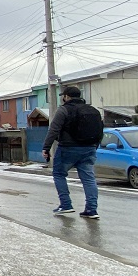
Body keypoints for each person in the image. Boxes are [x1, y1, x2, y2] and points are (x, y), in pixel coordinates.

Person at [42, 86, 103, 219]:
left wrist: (46, 147)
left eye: (63, 96)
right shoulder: (93, 110)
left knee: (59, 174)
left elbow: (53, 130)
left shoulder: (63, 110)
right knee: (89, 179)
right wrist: (94, 146)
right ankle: (92, 209)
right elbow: (100, 130)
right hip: (89, 148)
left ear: (66, 96)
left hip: (68, 148)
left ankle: (66, 205)